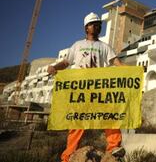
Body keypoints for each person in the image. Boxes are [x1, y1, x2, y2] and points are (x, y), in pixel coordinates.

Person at [48, 12, 125, 162]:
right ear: (86, 28)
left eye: (99, 24)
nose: (97, 26)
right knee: (77, 121)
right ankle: (69, 154)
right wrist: (54, 67)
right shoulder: (77, 45)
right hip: (80, 90)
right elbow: (65, 63)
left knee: (110, 116)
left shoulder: (104, 47)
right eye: (93, 24)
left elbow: (117, 62)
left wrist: (133, 71)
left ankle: (114, 148)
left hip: (99, 89)